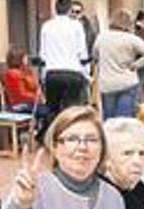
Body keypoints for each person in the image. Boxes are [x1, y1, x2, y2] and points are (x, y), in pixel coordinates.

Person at [93, 8, 144, 119]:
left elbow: (95, 55)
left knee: (109, 119)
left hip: (107, 85)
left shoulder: (101, 37)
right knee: (125, 120)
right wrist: (136, 64)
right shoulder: (131, 39)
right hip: (128, 82)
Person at [39, 0, 89, 128]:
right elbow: (82, 53)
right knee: (71, 110)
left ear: (55, 9)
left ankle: (52, 138)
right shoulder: (76, 26)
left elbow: (43, 55)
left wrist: (43, 77)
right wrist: (86, 74)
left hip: (52, 73)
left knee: (52, 110)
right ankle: (70, 134)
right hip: (72, 72)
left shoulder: (46, 26)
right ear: (69, 10)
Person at [102, 118, 144, 209]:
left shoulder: (140, 190)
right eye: (127, 153)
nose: (137, 161)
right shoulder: (101, 198)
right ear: (107, 159)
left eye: (142, 153)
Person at [3, 46, 43, 113]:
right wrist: (36, 98)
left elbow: (35, 86)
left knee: (50, 109)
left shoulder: (24, 71)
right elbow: (21, 95)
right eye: (25, 56)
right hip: (20, 105)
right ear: (18, 58)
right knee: (48, 111)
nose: (27, 58)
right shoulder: (12, 74)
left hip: (30, 103)